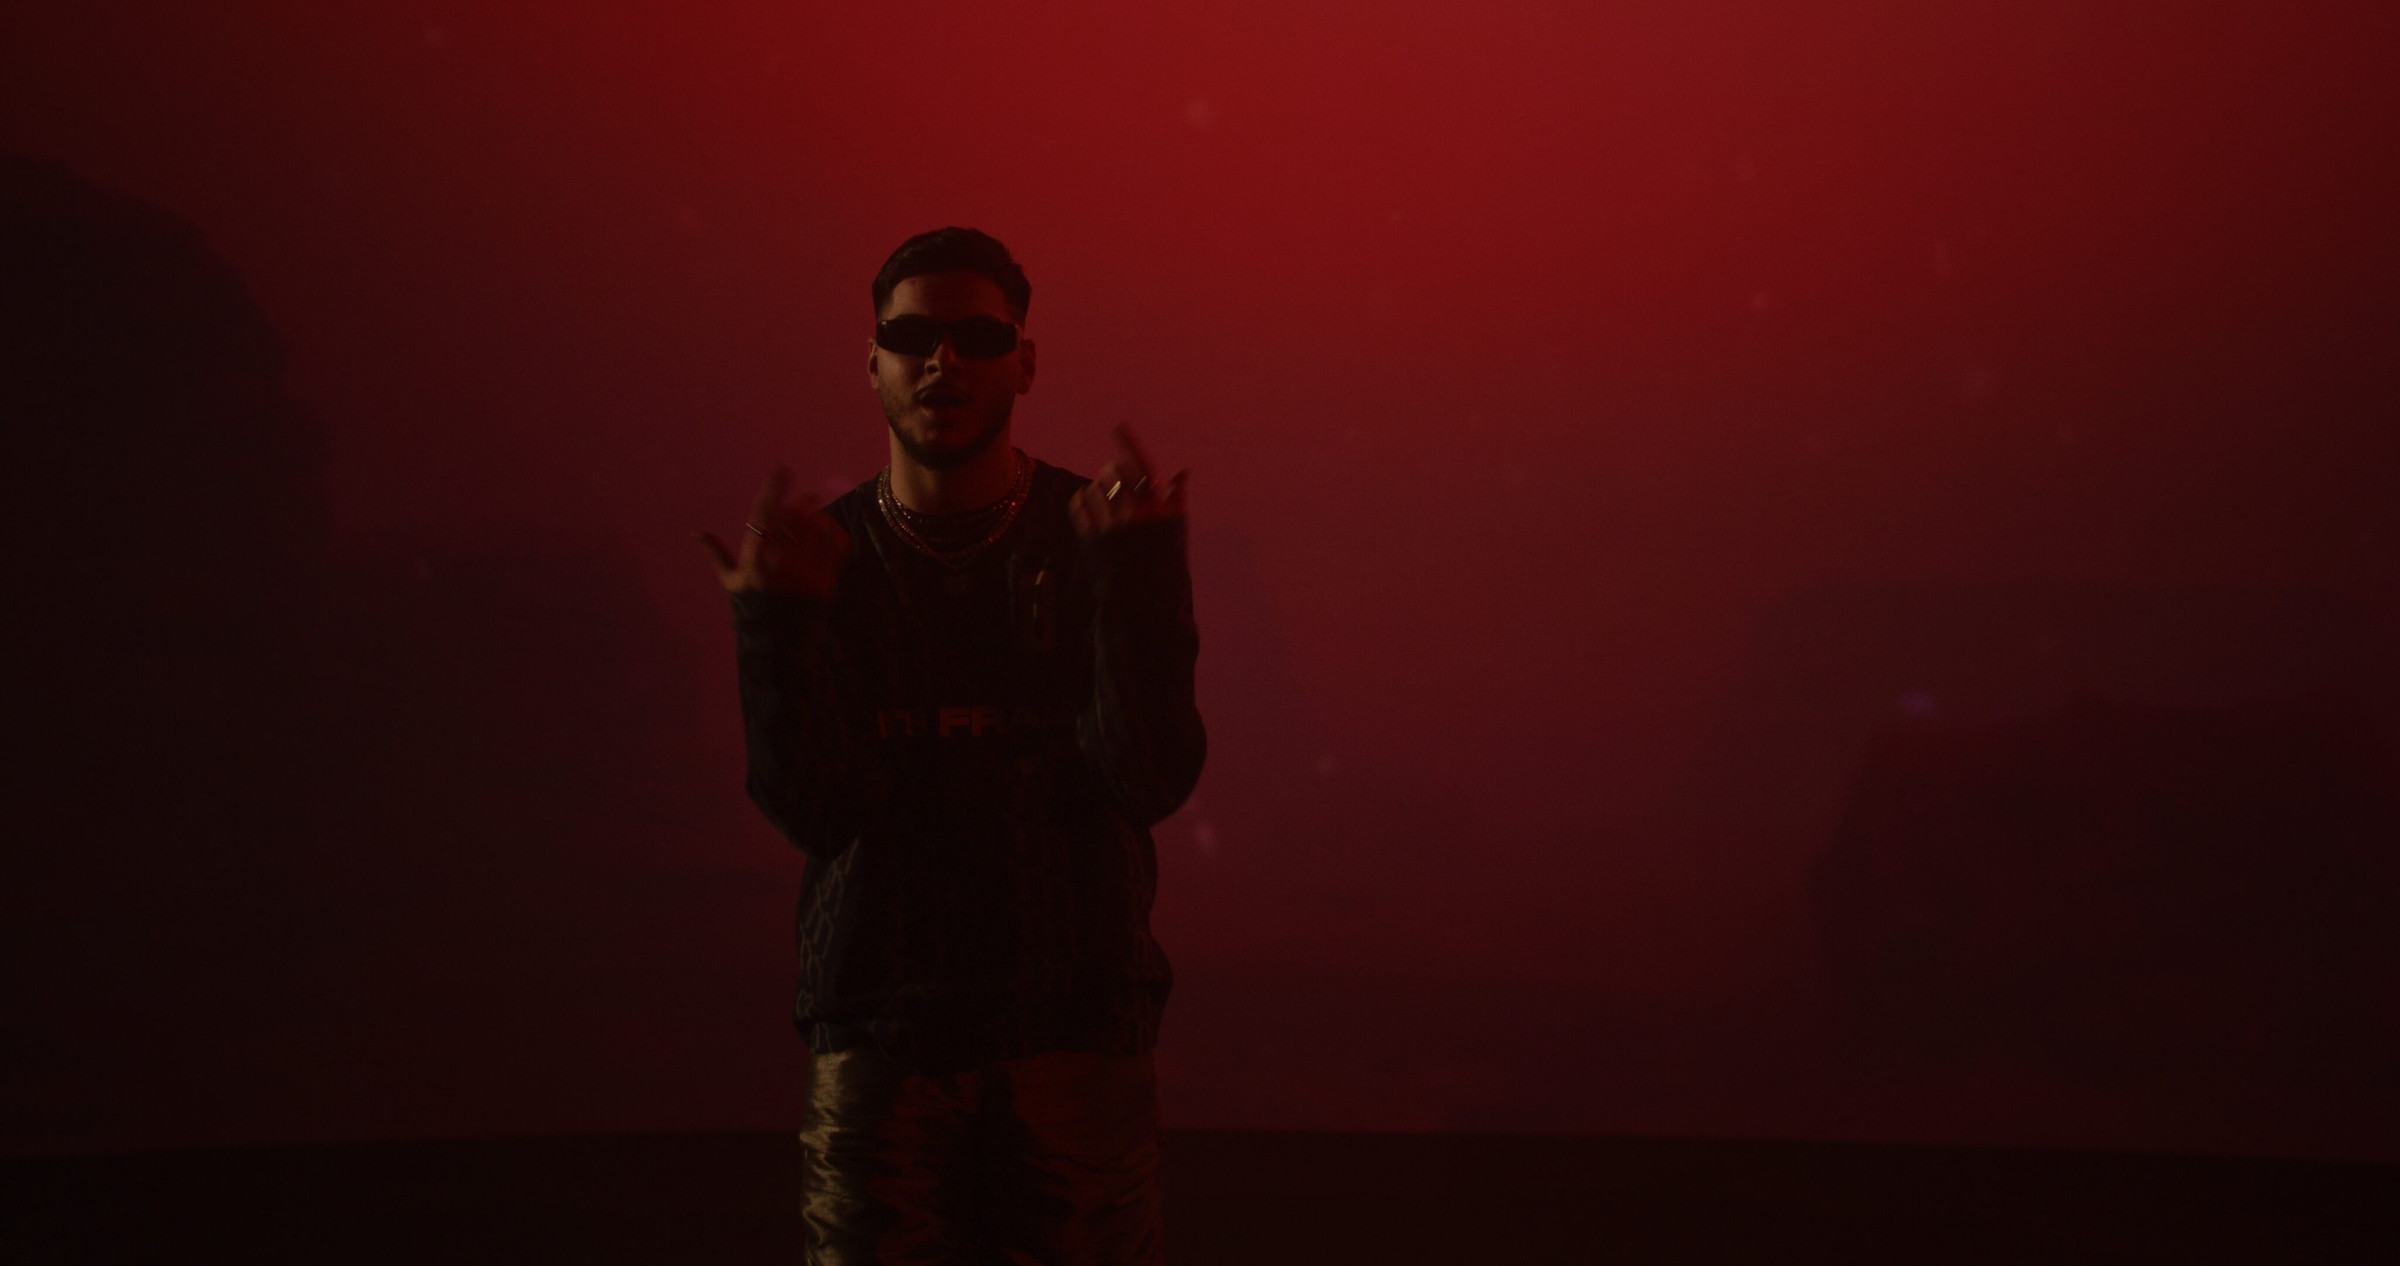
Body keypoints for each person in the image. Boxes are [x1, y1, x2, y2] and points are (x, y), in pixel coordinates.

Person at [697, 226, 1203, 1264]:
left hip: (1075, 1039)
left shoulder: (1098, 538)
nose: (943, 360)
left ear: (1026, 360)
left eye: (978, 336)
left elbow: (1148, 776)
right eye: (912, 336)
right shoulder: (826, 557)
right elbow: (812, 808)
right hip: (881, 1041)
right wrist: (774, 631)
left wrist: (1140, 588)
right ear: (872, 360)